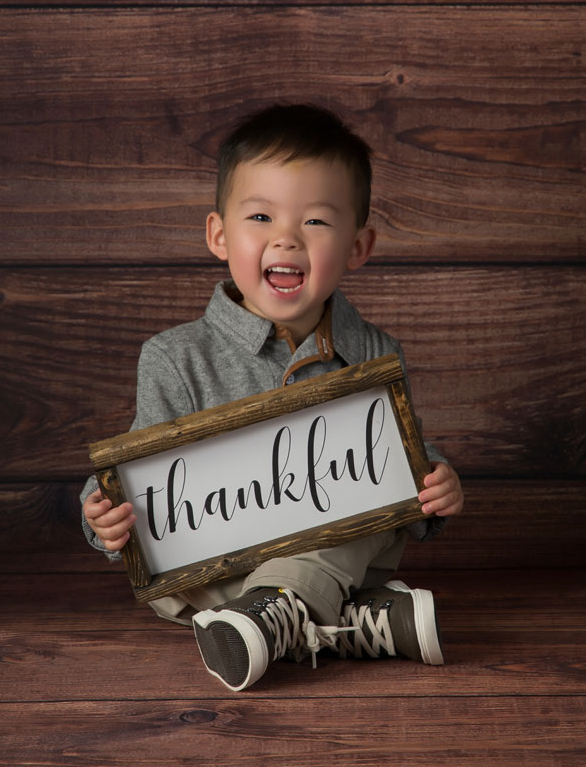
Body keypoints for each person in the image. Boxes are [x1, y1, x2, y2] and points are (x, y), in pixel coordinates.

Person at [80, 103, 464, 691]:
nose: (286, 238)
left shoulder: (374, 353)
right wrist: (102, 514)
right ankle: (354, 622)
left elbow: (402, 464)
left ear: (358, 246)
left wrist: (434, 478)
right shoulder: (173, 357)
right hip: (221, 574)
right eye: (261, 215)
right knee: (171, 572)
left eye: (315, 222)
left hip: (344, 551)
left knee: (359, 506)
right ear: (219, 234)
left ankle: (278, 615)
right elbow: (136, 477)